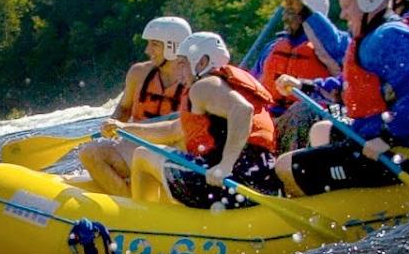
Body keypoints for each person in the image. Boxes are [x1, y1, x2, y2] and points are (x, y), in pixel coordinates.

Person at [275, 0, 409, 196]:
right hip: (374, 136)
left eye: (346, 5)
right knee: (321, 131)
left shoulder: (388, 36)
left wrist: (388, 137)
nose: (342, 14)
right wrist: (304, 85)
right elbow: (347, 86)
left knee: (285, 166)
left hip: (397, 150)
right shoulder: (373, 36)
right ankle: (340, 197)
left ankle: (322, 214)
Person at [101, 31, 279, 207]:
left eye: (182, 64)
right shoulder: (219, 86)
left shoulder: (205, 85)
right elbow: (172, 130)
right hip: (260, 178)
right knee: (150, 151)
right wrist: (123, 128)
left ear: (202, 62)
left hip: (233, 181)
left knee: (142, 155)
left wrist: (225, 165)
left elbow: (242, 110)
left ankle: (142, 218)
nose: (178, 71)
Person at [77, 15, 193, 195]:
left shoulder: (196, 81)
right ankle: (129, 204)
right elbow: (123, 109)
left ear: (173, 46)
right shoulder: (138, 73)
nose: (148, 50)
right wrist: (113, 124)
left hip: (173, 149)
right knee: (89, 153)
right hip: (135, 143)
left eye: (154, 44)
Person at [255, 0, 348, 154]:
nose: (285, 17)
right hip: (270, 120)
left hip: (311, 123)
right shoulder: (273, 47)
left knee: (302, 110)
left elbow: (337, 49)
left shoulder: (331, 48)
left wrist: (308, 14)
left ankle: (291, 169)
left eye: (291, 12)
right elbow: (253, 82)